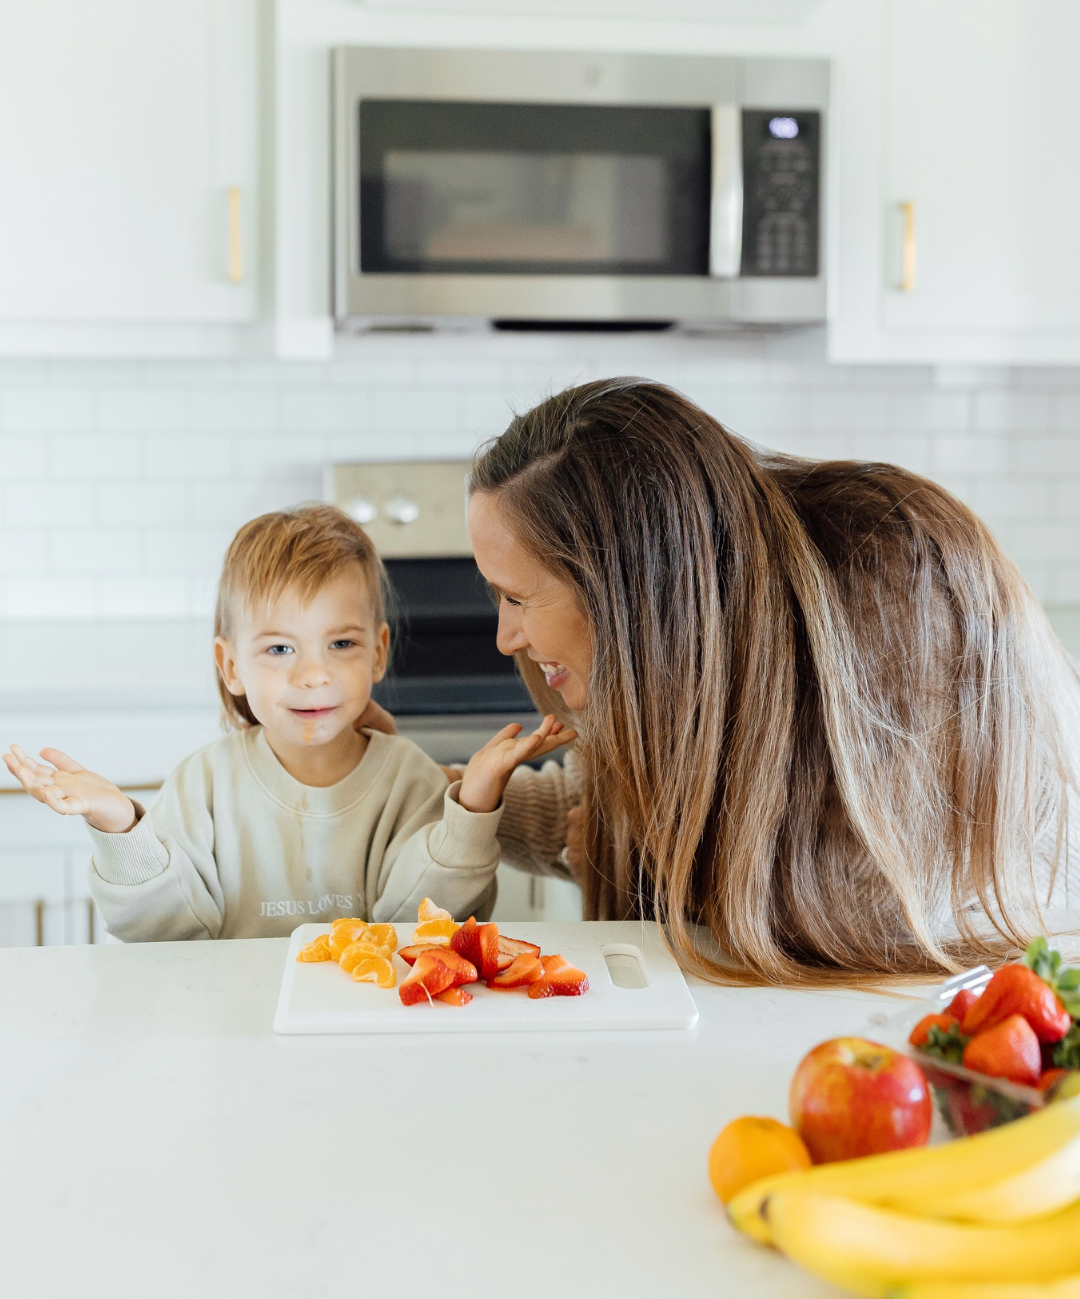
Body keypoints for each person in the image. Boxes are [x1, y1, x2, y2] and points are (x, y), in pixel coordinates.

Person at [480, 379, 1080, 984]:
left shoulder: (888, 565)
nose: (506, 638)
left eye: (516, 597)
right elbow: (622, 806)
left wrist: (653, 869)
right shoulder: (679, 650)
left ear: (624, 590)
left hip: (947, 987)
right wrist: (424, 791)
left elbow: (891, 886)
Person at [3, 503, 570, 941]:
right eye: (278, 650)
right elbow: (166, 932)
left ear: (378, 652)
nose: (312, 675)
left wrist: (470, 809)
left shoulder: (410, 778)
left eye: (340, 643)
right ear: (231, 666)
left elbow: (423, 928)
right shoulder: (203, 782)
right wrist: (120, 823)